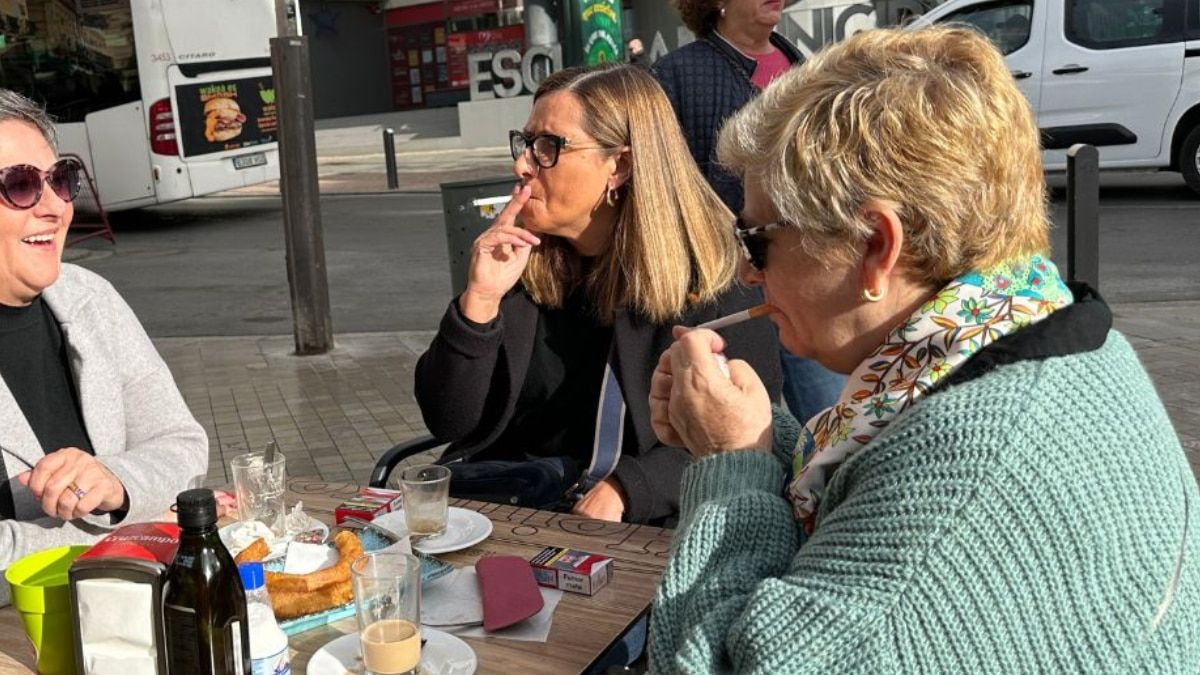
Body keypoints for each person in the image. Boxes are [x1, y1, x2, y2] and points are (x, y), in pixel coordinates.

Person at [648, 26, 1200, 671]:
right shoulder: (1042, 337)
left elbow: (713, 663)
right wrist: (761, 442)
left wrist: (731, 460)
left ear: (877, 246)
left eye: (757, 240)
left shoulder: (970, 469)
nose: (746, 273)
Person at [414, 63, 781, 526]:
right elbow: (448, 421)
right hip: (510, 507)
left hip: (634, 531)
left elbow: (748, 431)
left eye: (548, 147)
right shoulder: (522, 263)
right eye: (526, 142)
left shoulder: (712, 276)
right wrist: (479, 302)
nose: (522, 164)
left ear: (620, 166)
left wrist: (632, 486)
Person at [0, 89, 208, 603]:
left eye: (60, 180)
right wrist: (132, 533)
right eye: (22, 186)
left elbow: (182, 444)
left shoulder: (90, 299)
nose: (55, 207)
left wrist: (115, 482)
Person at [653, 0, 844, 424]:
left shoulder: (805, 67)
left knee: (831, 414)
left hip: (806, 269)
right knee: (745, 417)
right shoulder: (677, 75)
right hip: (727, 280)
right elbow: (667, 185)